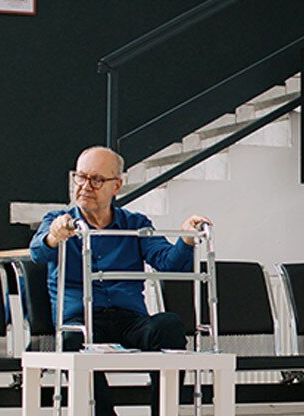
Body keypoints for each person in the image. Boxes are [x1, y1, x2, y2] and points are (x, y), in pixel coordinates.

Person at [29, 146, 210, 416]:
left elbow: (169, 263)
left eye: (97, 180)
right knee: (70, 340)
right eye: (80, 177)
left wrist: (185, 238)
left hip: (129, 321)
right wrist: (55, 236)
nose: (85, 186)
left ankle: (163, 412)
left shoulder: (135, 223)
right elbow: (38, 252)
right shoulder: (58, 220)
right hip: (82, 321)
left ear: (116, 186)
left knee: (169, 325)